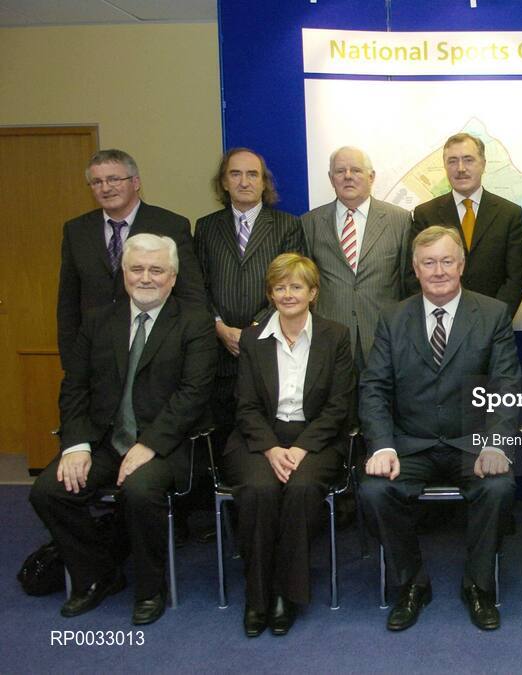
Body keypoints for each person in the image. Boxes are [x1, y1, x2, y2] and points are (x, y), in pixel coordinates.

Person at [30, 234, 217, 625]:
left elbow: (194, 392)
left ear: (172, 276)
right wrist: (75, 444)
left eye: (156, 270)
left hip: (168, 444)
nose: (146, 278)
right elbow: (75, 387)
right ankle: (97, 576)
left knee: (139, 490)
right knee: (49, 491)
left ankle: (151, 588)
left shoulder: (194, 322)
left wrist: (150, 444)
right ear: (124, 272)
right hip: (103, 442)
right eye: (137, 269)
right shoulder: (99, 320)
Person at [360, 226, 520, 632]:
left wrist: (496, 444)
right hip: (411, 444)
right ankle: (412, 582)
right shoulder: (393, 317)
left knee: (499, 487)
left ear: (462, 265)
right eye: (428, 262)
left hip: (472, 443)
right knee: (375, 492)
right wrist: (382, 447)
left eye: (447, 261)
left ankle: (478, 584)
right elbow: (374, 387)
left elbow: (506, 386)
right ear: (415, 268)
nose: (438, 270)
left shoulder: (493, 314)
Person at [223, 253, 355, 637]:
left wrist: (300, 449)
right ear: (270, 294)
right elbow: (245, 405)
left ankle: (286, 595)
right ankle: (257, 596)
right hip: (259, 437)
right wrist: (270, 448)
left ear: (313, 292)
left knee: (300, 490)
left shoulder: (336, 336)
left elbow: (338, 406)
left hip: (317, 438)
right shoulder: (252, 338)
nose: (287, 294)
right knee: (259, 490)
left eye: (296, 286)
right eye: (279, 287)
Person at [194, 148, 305, 458]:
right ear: (224, 182)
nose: (244, 181)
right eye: (236, 174)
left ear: (263, 182)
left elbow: (293, 287)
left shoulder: (287, 226)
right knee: (224, 440)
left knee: (264, 434)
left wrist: (253, 331)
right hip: (219, 352)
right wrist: (220, 328)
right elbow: (197, 287)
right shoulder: (205, 227)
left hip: (270, 346)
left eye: (252, 174)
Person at [57, 149, 204, 367]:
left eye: (114, 179)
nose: (106, 188)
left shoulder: (171, 225)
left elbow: (191, 294)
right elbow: (68, 302)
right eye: (97, 182)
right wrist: (71, 361)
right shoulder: (76, 230)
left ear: (135, 182)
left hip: (157, 350)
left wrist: (193, 351)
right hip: (97, 353)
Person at [302, 146, 413, 368]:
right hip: (330, 340)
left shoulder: (399, 220)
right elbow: (306, 284)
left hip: (384, 337)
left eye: (356, 170)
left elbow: (407, 283)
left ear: (371, 177)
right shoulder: (310, 222)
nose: (348, 176)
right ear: (331, 178)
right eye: (340, 171)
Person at [409, 133, 522, 310]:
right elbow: (413, 274)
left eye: (468, 160)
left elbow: (516, 278)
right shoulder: (425, 214)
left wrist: (495, 321)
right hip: (440, 324)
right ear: (445, 167)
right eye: (452, 161)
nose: (460, 168)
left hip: (492, 323)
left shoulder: (509, 214)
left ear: (483, 164)